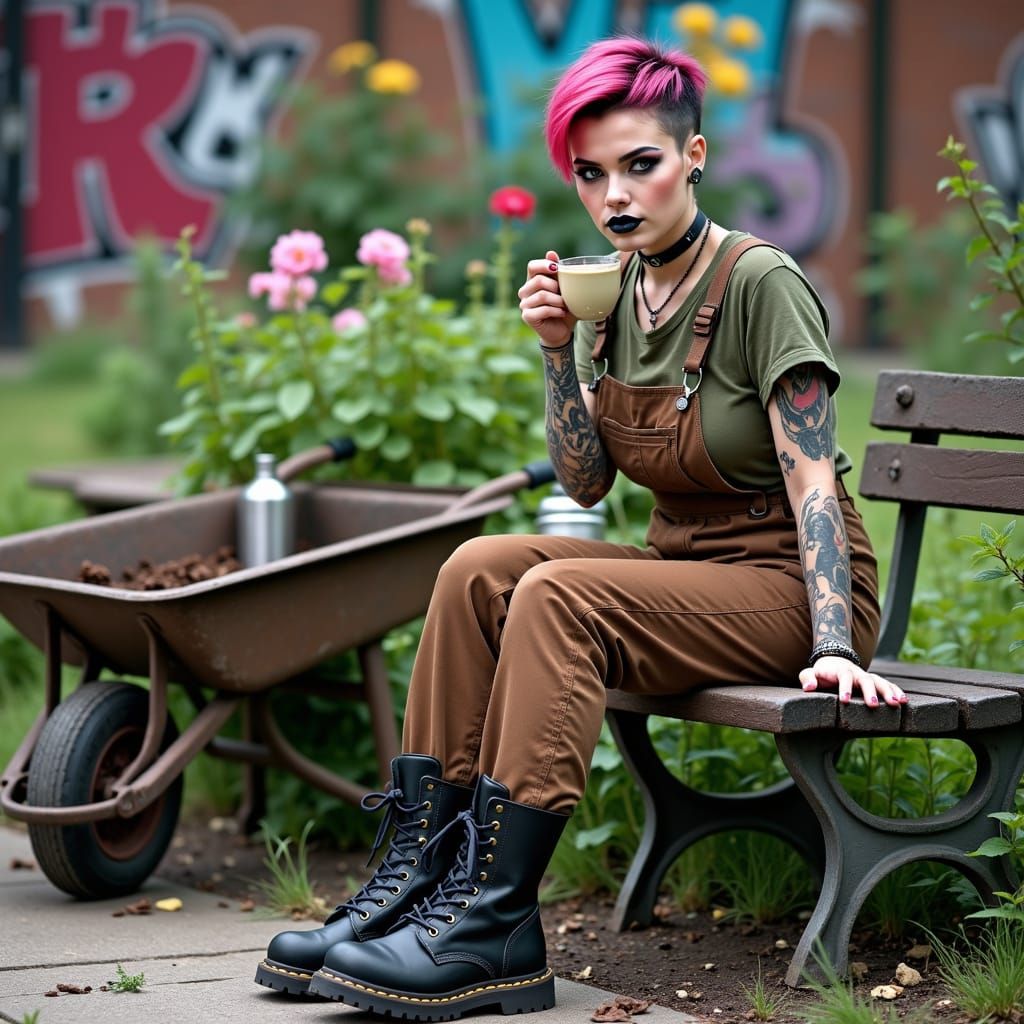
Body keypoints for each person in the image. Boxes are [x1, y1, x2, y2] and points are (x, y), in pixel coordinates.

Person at [255, 35, 905, 1019]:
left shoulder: (760, 283)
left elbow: (814, 476)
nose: (615, 195)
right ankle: (414, 886)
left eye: (639, 164)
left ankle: (494, 927)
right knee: (479, 566)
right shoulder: (616, 292)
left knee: (559, 591)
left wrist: (829, 643)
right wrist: (558, 352)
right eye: (590, 173)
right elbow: (586, 480)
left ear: (692, 155)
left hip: (792, 591)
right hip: (682, 575)